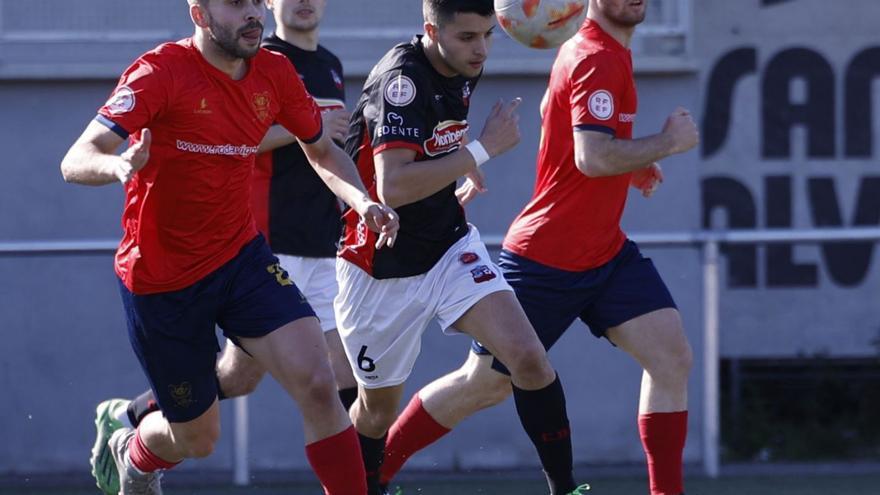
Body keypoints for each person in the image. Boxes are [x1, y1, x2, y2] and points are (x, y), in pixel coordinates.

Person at [62, 0, 399, 493]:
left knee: (319, 381)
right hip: (162, 280)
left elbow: (322, 148)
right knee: (198, 439)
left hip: (241, 258)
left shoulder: (276, 72)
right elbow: (77, 157)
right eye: (237, 4)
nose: (254, 14)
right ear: (199, 14)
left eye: (257, 2)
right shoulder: (160, 72)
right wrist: (115, 167)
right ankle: (131, 449)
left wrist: (361, 200)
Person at [378, 1, 700, 495]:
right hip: (547, 257)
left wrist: (633, 163)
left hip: (605, 253)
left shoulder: (605, 51)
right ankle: (371, 474)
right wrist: (666, 142)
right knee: (482, 384)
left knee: (671, 355)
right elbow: (592, 158)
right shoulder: (595, 54)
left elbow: (576, 141)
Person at [334, 1, 588, 494]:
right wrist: (480, 150)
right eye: (469, 37)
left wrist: (458, 159)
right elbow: (393, 188)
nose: (482, 49)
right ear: (431, 30)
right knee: (375, 411)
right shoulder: (401, 81)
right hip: (377, 265)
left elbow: (432, 140)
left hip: (449, 248)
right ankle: (360, 485)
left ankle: (565, 488)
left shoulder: (458, 65)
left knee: (528, 358)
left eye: (489, 35)